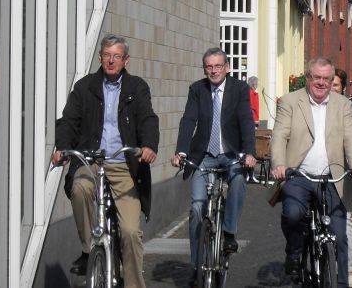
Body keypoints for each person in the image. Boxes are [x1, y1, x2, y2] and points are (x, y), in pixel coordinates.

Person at [53, 35, 159, 288]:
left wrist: (148, 146)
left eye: (117, 56)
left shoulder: (137, 87)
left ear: (125, 60)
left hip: (124, 164)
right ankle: (90, 249)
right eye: (107, 55)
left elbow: (147, 119)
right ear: (100, 57)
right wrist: (63, 148)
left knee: (131, 232)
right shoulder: (85, 87)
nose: (111, 60)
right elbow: (68, 120)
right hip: (91, 161)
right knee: (79, 189)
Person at [271, 57, 352, 288]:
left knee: (341, 236)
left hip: (333, 177)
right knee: (292, 215)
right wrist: (279, 164)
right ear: (308, 78)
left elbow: (350, 138)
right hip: (299, 175)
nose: (322, 83)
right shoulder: (290, 101)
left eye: (327, 79)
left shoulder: (342, 104)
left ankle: (341, 283)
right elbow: (279, 135)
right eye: (317, 78)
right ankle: (294, 252)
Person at [172, 48, 256, 284]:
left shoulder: (239, 89)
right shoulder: (197, 90)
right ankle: (196, 266)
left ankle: (228, 233)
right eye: (209, 66)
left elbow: (246, 121)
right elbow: (189, 120)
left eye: (218, 66)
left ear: (227, 67)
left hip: (231, 154)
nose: (214, 70)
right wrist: (181, 151)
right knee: (197, 208)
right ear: (204, 69)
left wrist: (249, 152)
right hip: (205, 155)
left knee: (238, 180)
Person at [332, 68, 352, 287]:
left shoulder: (349, 105)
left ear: (343, 87)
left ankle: (350, 267)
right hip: (319, 169)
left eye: (336, 84)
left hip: (344, 167)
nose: (332, 88)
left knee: (345, 221)